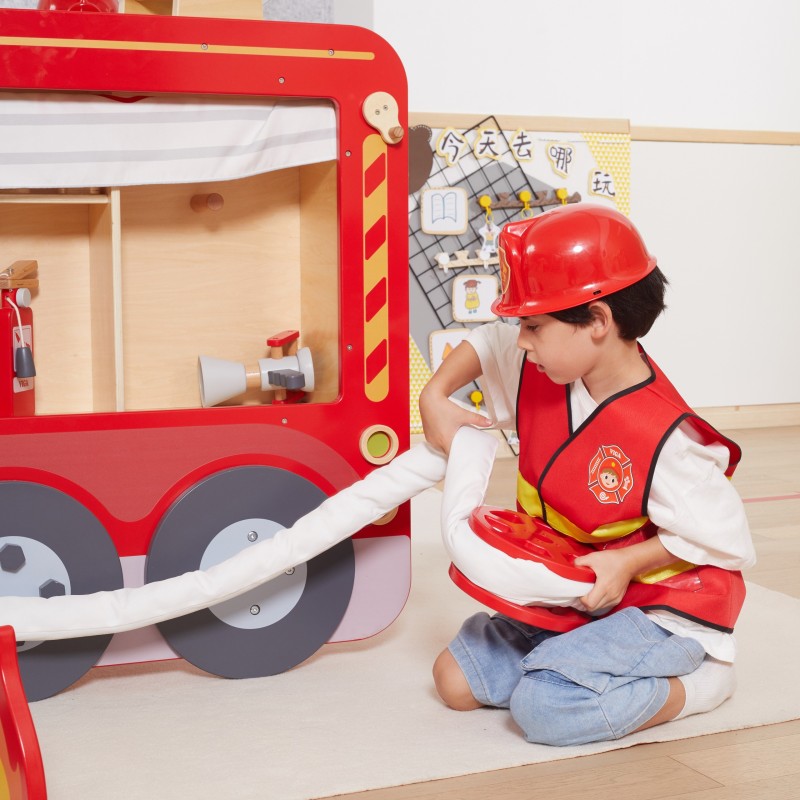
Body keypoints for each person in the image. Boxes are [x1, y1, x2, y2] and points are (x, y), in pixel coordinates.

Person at [419, 203, 756, 746]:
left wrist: (625, 562)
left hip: (663, 603)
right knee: (455, 681)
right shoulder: (546, 365)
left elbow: (722, 541)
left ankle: (702, 685)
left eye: (533, 325)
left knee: (544, 707)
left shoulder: (666, 436)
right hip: (577, 589)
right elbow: (487, 344)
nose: (521, 339)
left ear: (597, 320)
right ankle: (572, 658)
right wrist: (434, 394)